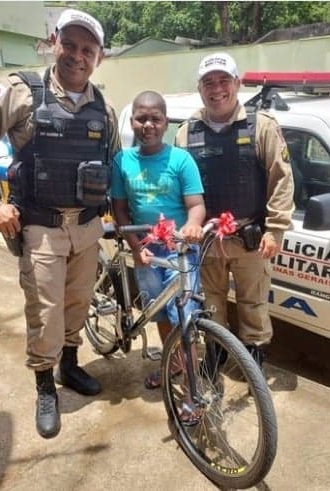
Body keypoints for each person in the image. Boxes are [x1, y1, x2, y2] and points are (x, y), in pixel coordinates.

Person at [0, 8, 119, 439]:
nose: (78, 56)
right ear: (54, 42)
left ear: (99, 57)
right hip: (41, 227)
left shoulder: (103, 108)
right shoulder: (22, 92)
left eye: (88, 50)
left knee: (77, 303)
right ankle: (44, 385)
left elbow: (113, 164)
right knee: (46, 311)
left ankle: (69, 367)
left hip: (89, 227)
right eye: (70, 45)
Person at [175, 53, 294, 368]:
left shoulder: (261, 126)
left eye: (224, 80)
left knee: (253, 305)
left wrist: (275, 229)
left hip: (249, 239)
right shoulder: (186, 132)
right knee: (210, 305)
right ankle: (215, 354)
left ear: (237, 84)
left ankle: (253, 358)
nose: (217, 89)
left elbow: (280, 179)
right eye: (208, 83)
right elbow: (179, 186)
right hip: (206, 241)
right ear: (200, 88)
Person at [109, 91, 205, 389]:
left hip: (179, 251)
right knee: (161, 312)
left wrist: (192, 226)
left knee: (185, 319)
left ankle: (194, 390)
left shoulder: (181, 159)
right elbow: (120, 209)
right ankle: (171, 365)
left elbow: (196, 205)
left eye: (155, 118)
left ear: (166, 124)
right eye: (141, 118)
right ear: (133, 122)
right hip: (145, 250)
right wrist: (137, 248)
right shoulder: (121, 161)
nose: (148, 124)